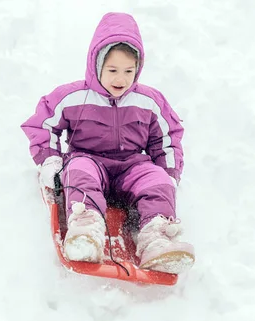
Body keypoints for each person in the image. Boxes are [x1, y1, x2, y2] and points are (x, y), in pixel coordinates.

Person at [21, 12, 195, 274]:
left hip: (132, 167)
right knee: (80, 171)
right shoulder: (73, 97)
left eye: (128, 71)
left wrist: (169, 175)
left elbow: (167, 139)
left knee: (156, 180)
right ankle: (86, 229)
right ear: (96, 64)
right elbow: (43, 124)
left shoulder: (149, 101)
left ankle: (155, 238)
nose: (120, 79)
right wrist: (51, 159)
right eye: (112, 70)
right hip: (89, 159)